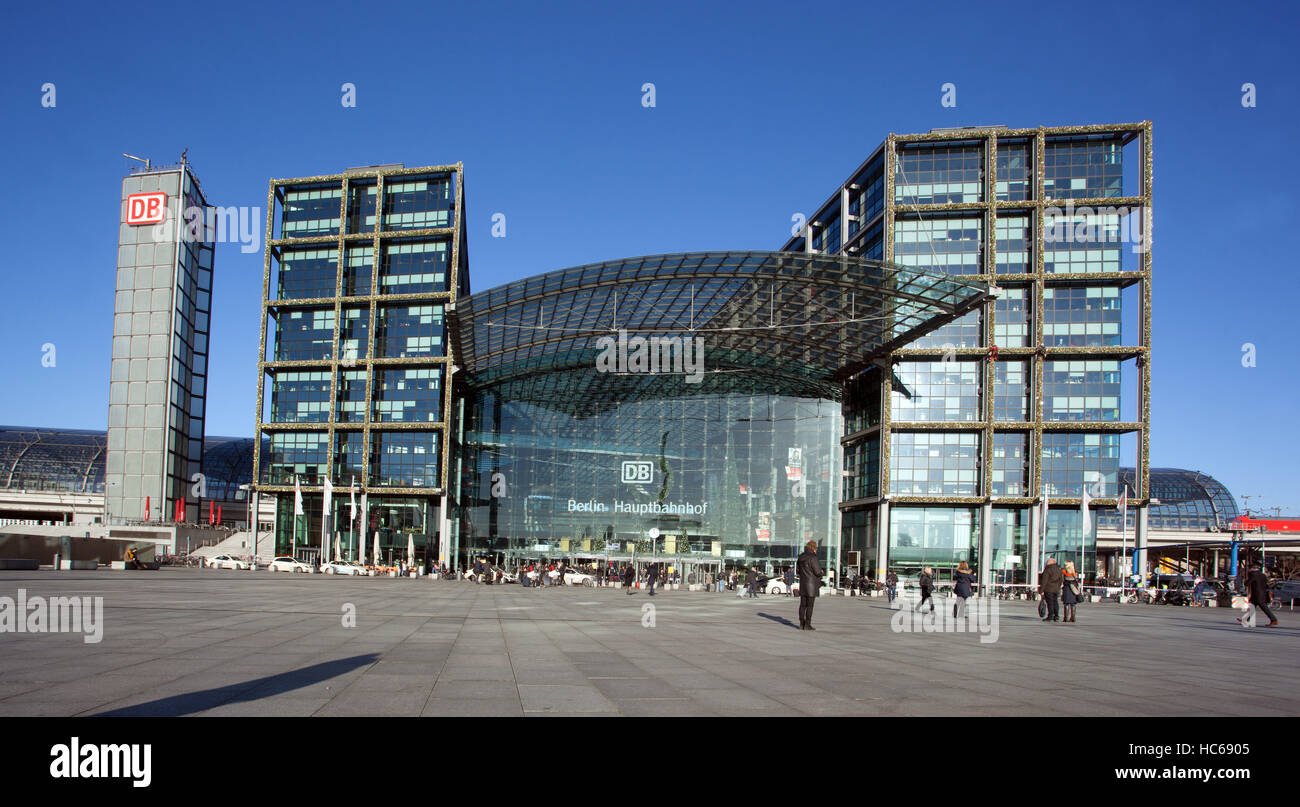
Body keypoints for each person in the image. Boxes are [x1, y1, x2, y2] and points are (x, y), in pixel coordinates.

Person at [796, 541, 824, 630]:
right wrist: (821, 572)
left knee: (802, 605)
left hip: (803, 584)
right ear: (813, 548)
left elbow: (798, 571)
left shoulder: (800, 557)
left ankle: (801, 624)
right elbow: (818, 572)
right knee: (810, 606)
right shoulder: (813, 557)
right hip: (812, 585)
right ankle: (807, 624)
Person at [1040, 557, 1064, 622]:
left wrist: (1041, 590)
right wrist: (1058, 587)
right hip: (1056, 589)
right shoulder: (1059, 570)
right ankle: (1056, 616)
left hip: (1048, 589)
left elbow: (1044, 581)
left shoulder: (1048, 570)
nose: (1047, 562)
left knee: (1050, 603)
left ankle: (1050, 616)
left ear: (1051, 562)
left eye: (1048, 561)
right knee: (1055, 602)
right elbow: (1061, 580)